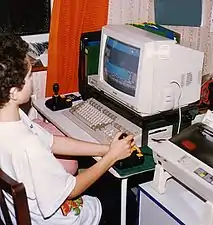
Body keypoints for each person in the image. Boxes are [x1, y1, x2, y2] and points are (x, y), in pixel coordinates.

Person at [0, 34, 135, 225]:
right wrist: (111, 158)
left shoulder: (12, 117)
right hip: (61, 221)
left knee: (104, 180)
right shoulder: (27, 146)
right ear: (14, 92)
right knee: (126, 197)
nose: (31, 79)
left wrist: (106, 149)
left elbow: (54, 142)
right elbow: (72, 190)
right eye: (29, 76)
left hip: (27, 215)